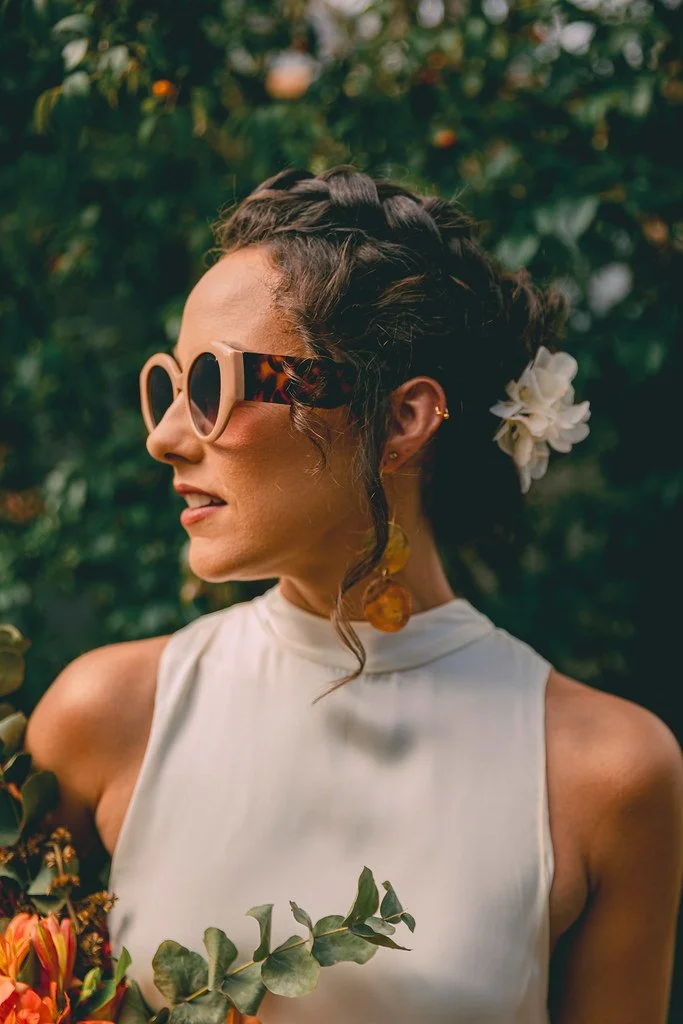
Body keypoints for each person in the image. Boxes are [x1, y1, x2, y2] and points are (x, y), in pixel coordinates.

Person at [24, 166, 682, 1023]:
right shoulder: (103, 718)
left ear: (400, 419)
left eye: (213, 385)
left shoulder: (609, 774)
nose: (166, 437)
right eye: (168, 385)